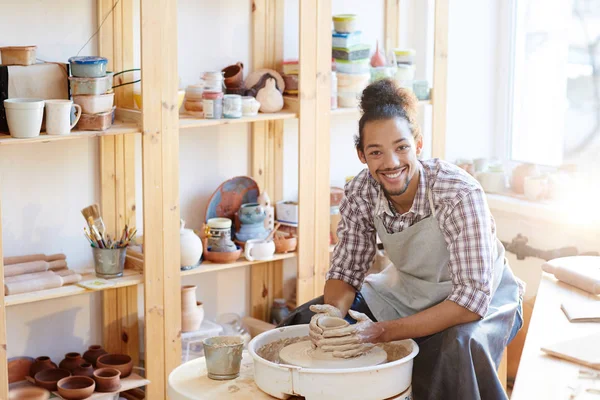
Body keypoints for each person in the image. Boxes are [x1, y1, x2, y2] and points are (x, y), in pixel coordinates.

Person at [278, 78, 525, 400]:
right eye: (376, 152)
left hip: (482, 299)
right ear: (362, 156)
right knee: (304, 319)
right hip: (407, 291)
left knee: (452, 351)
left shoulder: (457, 193)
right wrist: (333, 316)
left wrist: (381, 332)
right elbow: (345, 272)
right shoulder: (361, 191)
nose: (391, 163)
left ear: (418, 145)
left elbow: (470, 301)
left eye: (401, 147)